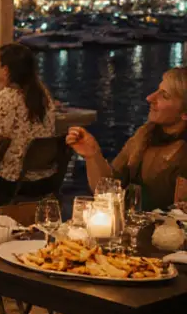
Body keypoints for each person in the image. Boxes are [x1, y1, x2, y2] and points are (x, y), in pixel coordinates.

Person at [67, 67, 187, 212]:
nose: (150, 98)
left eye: (165, 96)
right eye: (157, 90)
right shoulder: (144, 135)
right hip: (134, 228)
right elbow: (107, 189)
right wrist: (93, 155)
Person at [0, 42, 57, 205]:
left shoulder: (7, 98)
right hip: (46, 179)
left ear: (6, 69)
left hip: (13, 183)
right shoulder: (43, 95)